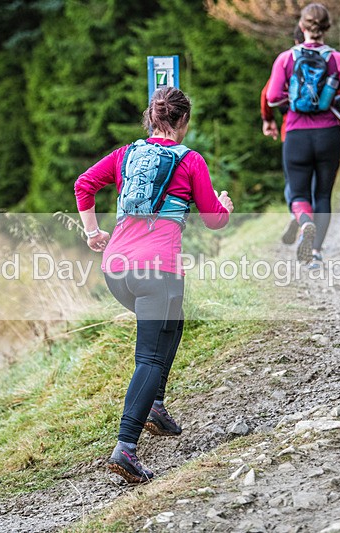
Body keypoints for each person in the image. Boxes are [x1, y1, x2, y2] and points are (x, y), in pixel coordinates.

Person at [74, 87, 233, 484]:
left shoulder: (126, 155)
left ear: (151, 118)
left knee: (172, 323)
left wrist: (92, 232)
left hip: (116, 270)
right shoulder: (190, 160)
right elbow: (213, 219)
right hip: (156, 272)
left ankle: (156, 406)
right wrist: (225, 207)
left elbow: (83, 184)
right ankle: (126, 447)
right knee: (149, 356)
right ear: (183, 121)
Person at [266, 3, 340, 265]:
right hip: (329, 134)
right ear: (327, 28)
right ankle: (316, 251)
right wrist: (333, 104)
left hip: (296, 134)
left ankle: (304, 222)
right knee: (322, 195)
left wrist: (293, 102)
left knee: (298, 194)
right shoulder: (339, 60)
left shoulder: (286, 59)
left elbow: (273, 96)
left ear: (302, 27)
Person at [261, 24, 310, 245]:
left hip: (291, 133)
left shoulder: (287, 62)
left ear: (295, 39)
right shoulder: (328, 60)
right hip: (323, 133)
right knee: (315, 184)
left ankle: (297, 217)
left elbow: (268, 93)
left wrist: (268, 119)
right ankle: (307, 228)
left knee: (294, 183)